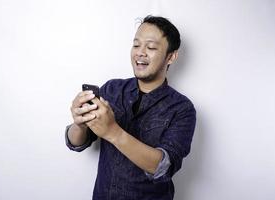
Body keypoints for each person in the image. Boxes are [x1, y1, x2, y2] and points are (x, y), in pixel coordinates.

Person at [65, 15, 196, 200]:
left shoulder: (182, 108)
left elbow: (163, 167)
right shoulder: (112, 89)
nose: (140, 52)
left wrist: (113, 131)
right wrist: (80, 124)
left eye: (150, 47)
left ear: (171, 56)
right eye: (136, 45)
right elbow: (76, 143)